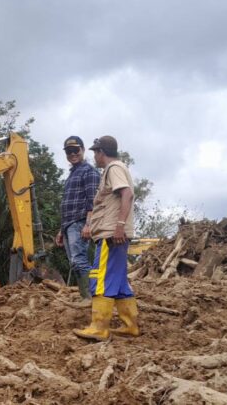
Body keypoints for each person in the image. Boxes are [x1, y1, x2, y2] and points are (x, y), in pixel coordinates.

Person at [73, 135, 139, 341]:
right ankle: (131, 326)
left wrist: (119, 226)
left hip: (112, 235)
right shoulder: (116, 169)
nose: (94, 156)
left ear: (101, 152)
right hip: (116, 233)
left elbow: (127, 194)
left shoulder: (114, 168)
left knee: (99, 278)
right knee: (118, 282)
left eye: (95, 152)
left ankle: (99, 327)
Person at [55, 136, 100, 301]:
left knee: (79, 260)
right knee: (74, 262)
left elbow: (93, 202)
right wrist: (61, 230)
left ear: (83, 150)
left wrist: (88, 224)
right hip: (69, 225)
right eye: (69, 151)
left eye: (76, 150)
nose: (72, 153)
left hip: (80, 222)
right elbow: (67, 204)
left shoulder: (89, 172)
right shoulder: (72, 174)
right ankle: (86, 296)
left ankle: (91, 297)